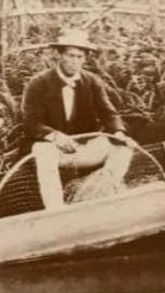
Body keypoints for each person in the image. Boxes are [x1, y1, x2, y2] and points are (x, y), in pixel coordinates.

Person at [20, 27, 137, 207]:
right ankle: (56, 210)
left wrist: (119, 133)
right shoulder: (39, 83)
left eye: (79, 57)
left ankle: (99, 196)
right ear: (59, 55)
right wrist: (55, 137)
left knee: (122, 150)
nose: (74, 62)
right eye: (70, 55)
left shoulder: (92, 81)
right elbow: (31, 122)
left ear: (85, 58)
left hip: (84, 147)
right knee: (44, 154)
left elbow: (109, 113)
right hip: (54, 149)